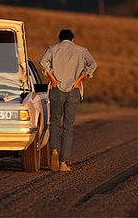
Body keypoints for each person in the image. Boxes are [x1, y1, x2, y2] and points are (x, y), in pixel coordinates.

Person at [40, 29, 97, 172]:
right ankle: (63, 163)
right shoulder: (81, 50)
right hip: (73, 90)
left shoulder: (53, 49)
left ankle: (54, 149)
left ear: (60, 39)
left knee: (54, 122)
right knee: (68, 126)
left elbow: (42, 62)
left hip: (56, 89)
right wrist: (79, 80)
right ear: (72, 39)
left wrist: (52, 80)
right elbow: (93, 64)